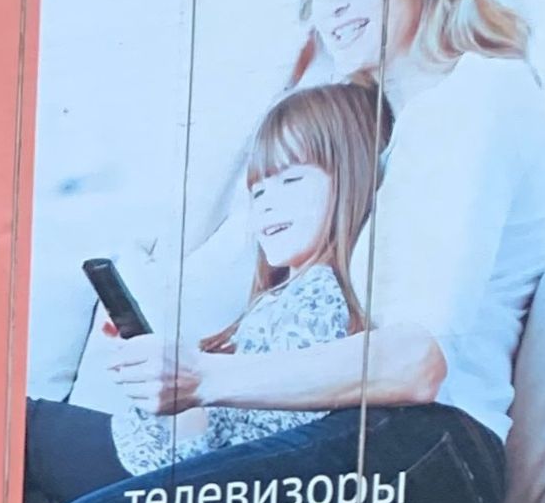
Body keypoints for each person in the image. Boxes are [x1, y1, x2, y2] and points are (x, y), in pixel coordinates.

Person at [29, 0, 545, 503]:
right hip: (374, 444)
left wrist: (204, 378)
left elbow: (417, 361)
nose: (333, 3)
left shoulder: (475, 95)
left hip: (424, 453)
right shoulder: (386, 134)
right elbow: (199, 237)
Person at [110, 80, 388, 474]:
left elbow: (241, 451)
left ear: (352, 180)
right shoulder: (281, 297)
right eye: (257, 193)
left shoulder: (318, 296)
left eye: (291, 180)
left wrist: (184, 394)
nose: (267, 204)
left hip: (162, 474)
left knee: (29, 421)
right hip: (152, 460)